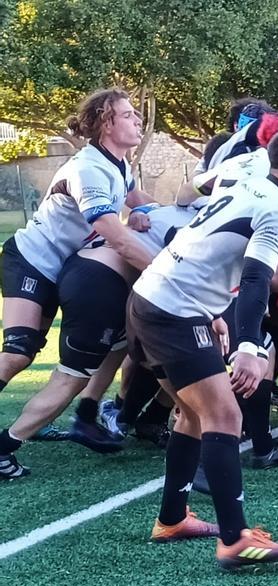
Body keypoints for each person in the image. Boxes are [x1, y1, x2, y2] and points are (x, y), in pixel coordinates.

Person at [124, 128, 278, 569]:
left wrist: (212, 310)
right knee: (225, 416)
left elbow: (210, 242)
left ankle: (173, 518)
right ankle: (234, 539)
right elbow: (257, 279)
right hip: (172, 311)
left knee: (194, 414)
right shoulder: (277, 210)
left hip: (150, 297)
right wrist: (250, 346)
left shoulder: (246, 180)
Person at [0, 89, 156, 479]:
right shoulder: (87, 168)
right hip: (32, 262)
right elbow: (115, 237)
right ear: (106, 123)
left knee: (115, 339)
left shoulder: (120, 164)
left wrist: (146, 214)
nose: (138, 120)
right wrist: (169, 271)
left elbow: (141, 202)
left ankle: (83, 415)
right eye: (128, 114)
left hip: (66, 269)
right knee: (19, 353)